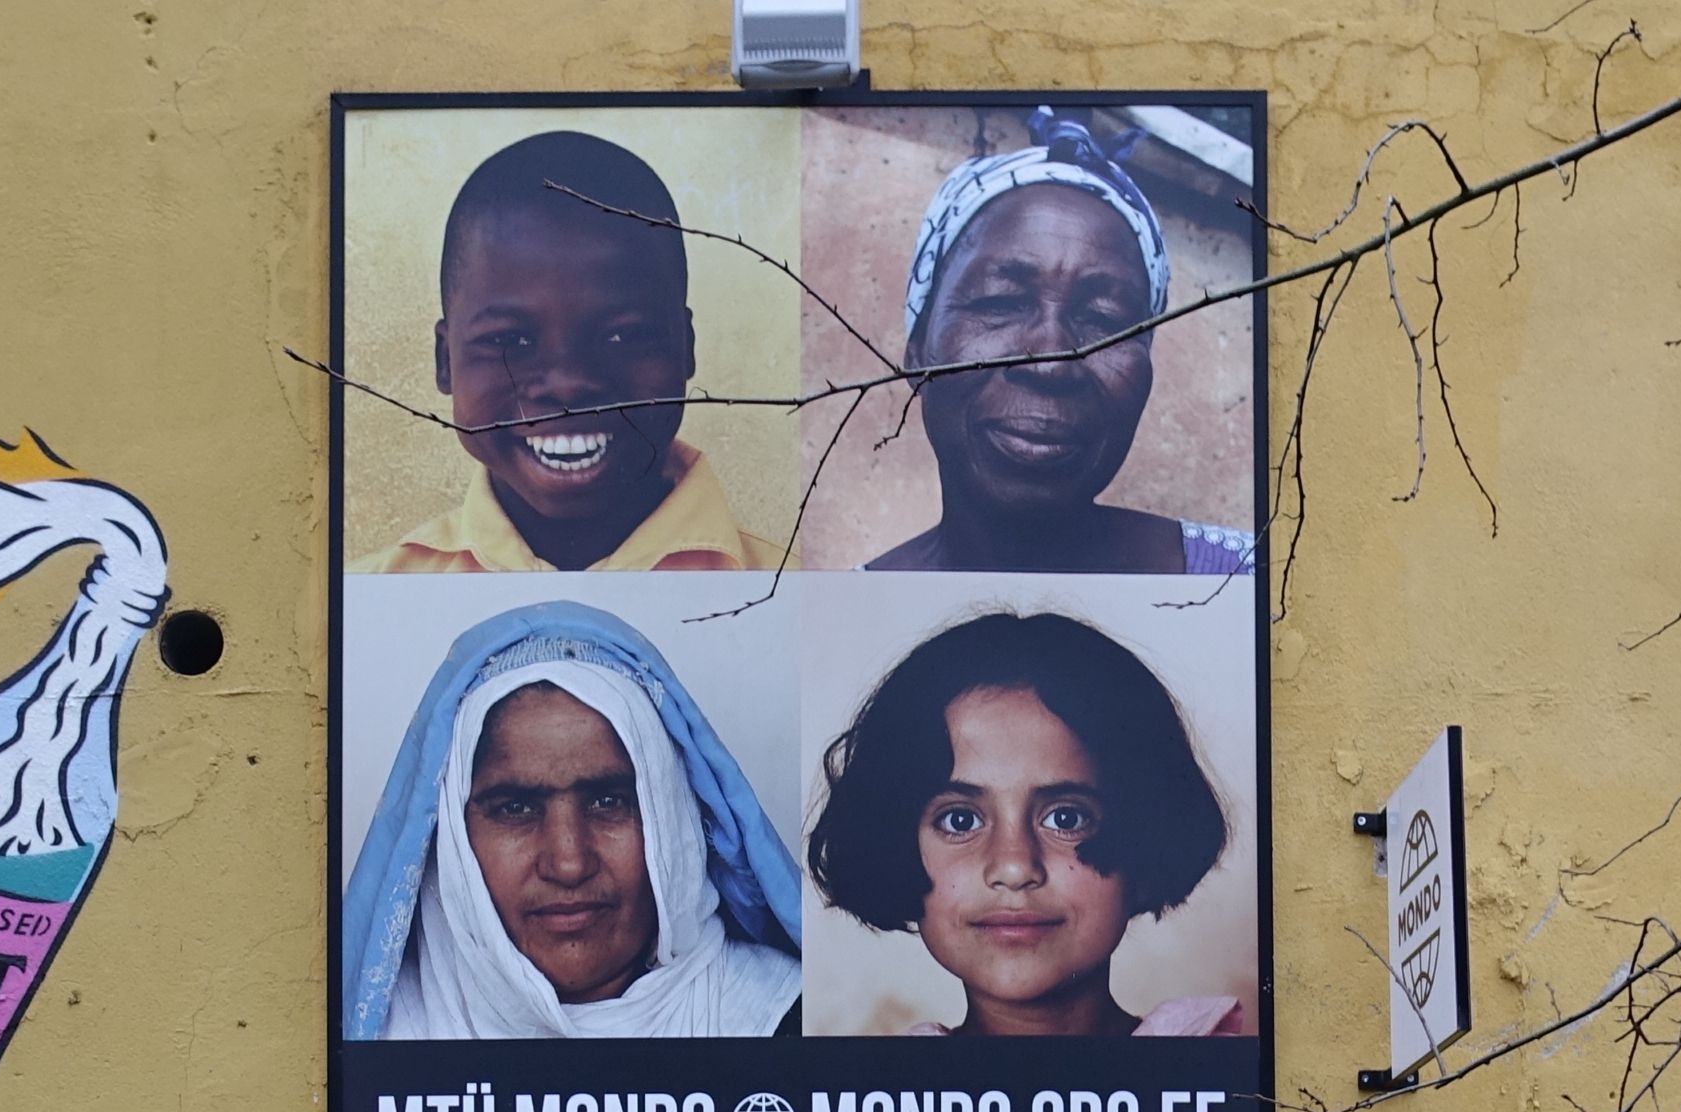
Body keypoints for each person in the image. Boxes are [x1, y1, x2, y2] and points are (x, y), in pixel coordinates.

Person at [343, 600, 803, 1040]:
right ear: (450, 843)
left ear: (673, 819)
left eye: (609, 801)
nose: (569, 863)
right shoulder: (367, 1049)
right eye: (515, 808)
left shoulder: (789, 1022)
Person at [809, 609, 1247, 1038]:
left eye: (1066, 818)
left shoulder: (1208, 1074)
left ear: (1148, 840)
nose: (1014, 868)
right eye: (959, 820)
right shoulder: (885, 1095)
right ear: (892, 847)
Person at [372, 129, 782, 575]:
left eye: (622, 337)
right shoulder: (368, 606)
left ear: (685, 348)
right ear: (445, 361)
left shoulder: (802, 602)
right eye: (512, 341)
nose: (568, 382)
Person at [866, 111, 1253, 577]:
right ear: (917, 351)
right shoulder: (836, 628)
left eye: (1103, 320)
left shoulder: (1244, 588)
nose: (1050, 362)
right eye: (1000, 301)